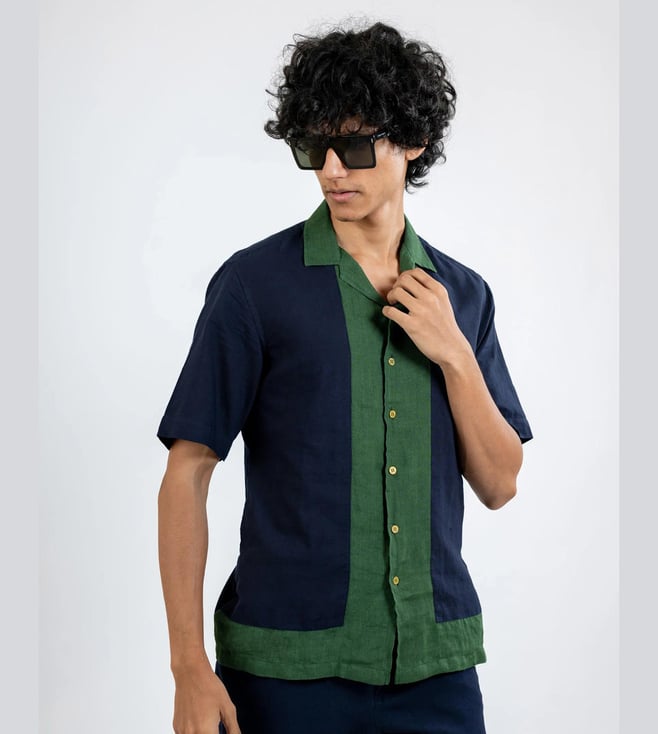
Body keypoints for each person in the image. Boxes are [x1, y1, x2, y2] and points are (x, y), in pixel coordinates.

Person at [157, 20, 532, 734]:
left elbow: (499, 483)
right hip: (284, 671)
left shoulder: (463, 295)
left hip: (436, 671)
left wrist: (454, 353)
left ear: (413, 141)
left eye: (355, 147)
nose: (331, 170)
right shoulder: (254, 286)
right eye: (313, 147)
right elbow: (188, 470)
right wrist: (189, 667)